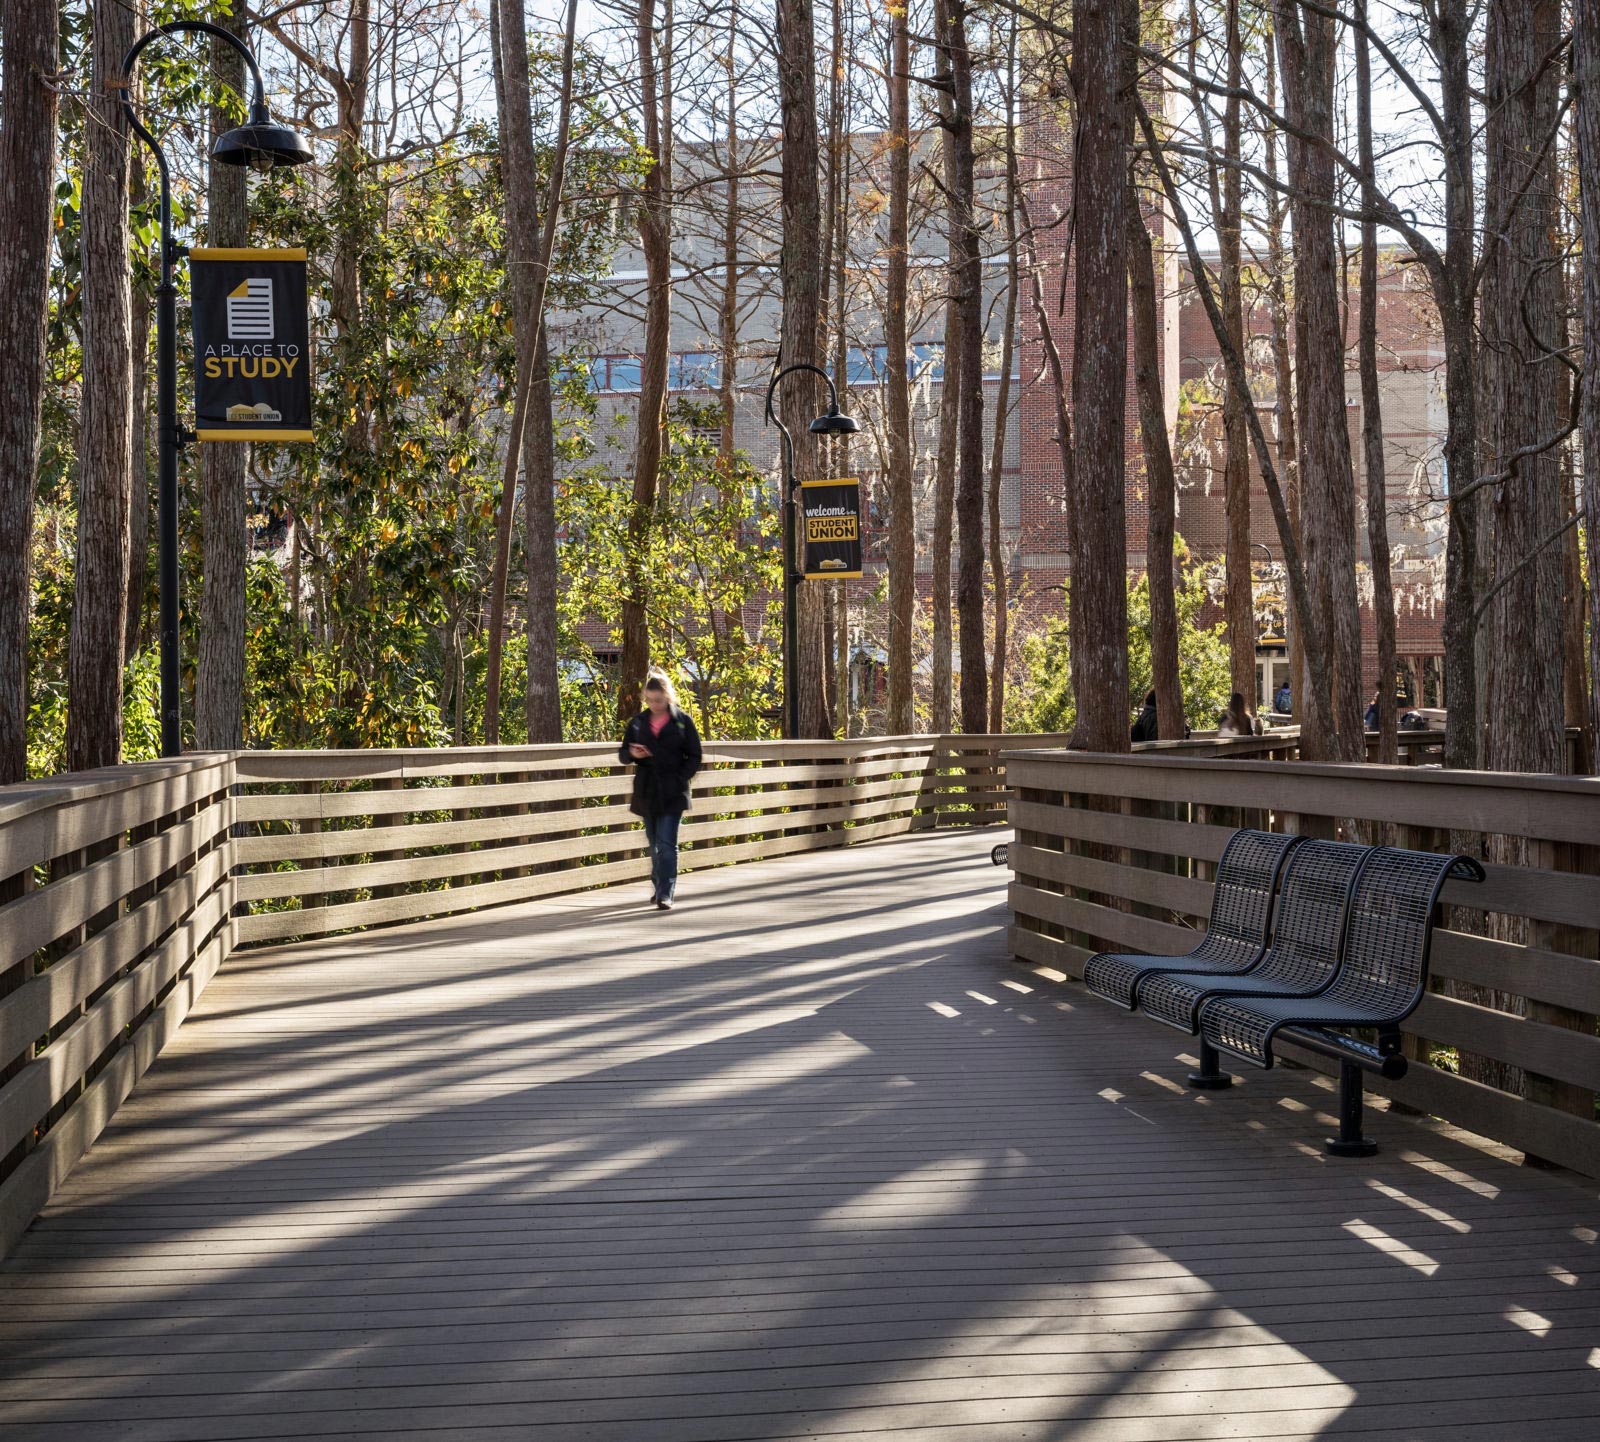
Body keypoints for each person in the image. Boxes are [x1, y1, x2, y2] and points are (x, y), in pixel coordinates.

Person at [619, 670, 703, 910]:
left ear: (668, 697)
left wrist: (680, 777)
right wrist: (632, 754)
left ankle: (666, 893)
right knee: (654, 844)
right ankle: (658, 885)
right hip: (647, 790)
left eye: (658, 700)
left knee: (667, 844)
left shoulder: (682, 721)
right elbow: (623, 754)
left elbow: (695, 755)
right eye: (649, 700)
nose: (653, 704)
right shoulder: (637, 723)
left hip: (673, 790)